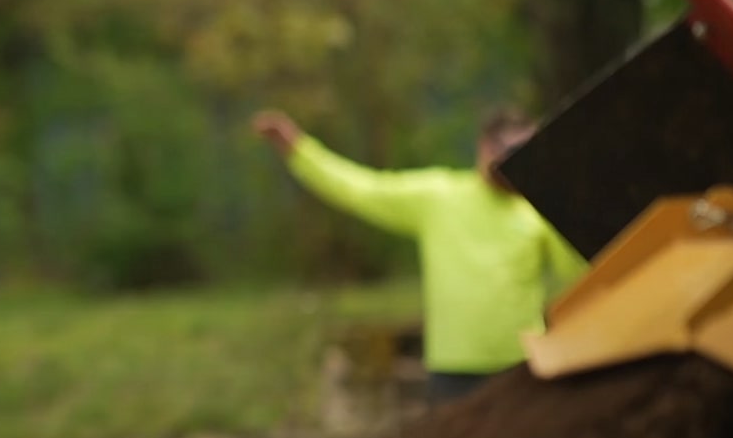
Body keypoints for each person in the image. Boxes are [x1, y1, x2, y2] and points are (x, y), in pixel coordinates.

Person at [252, 107, 590, 406]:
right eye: (509, 150)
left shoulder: (537, 210)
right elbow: (362, 190)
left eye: (526, 151)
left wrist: (556, 198)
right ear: (485, 148)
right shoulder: (439, 198)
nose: (515, 161)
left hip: (522, 366)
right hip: (454, 372)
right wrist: (299, 151)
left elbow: (576, 270)